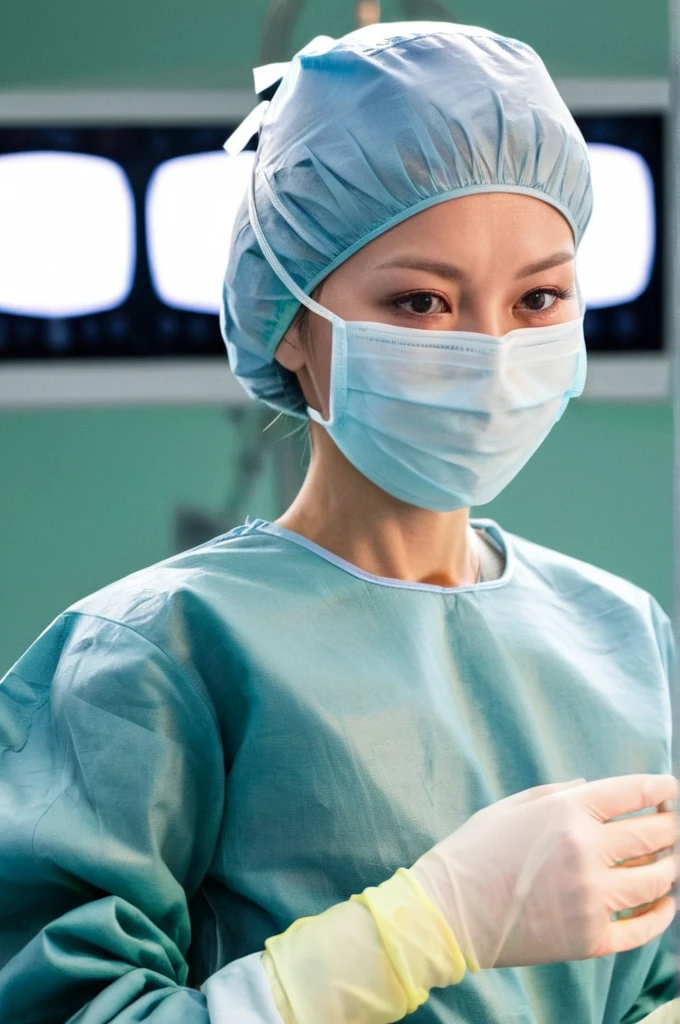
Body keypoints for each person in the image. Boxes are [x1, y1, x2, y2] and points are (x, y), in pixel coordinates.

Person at [0, 20, 676, 1024]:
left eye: (537, 295)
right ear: (289, 323)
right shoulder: (150, 656)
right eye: (419, 302)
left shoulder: (624, 636)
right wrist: (421, 927)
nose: (490, 350)